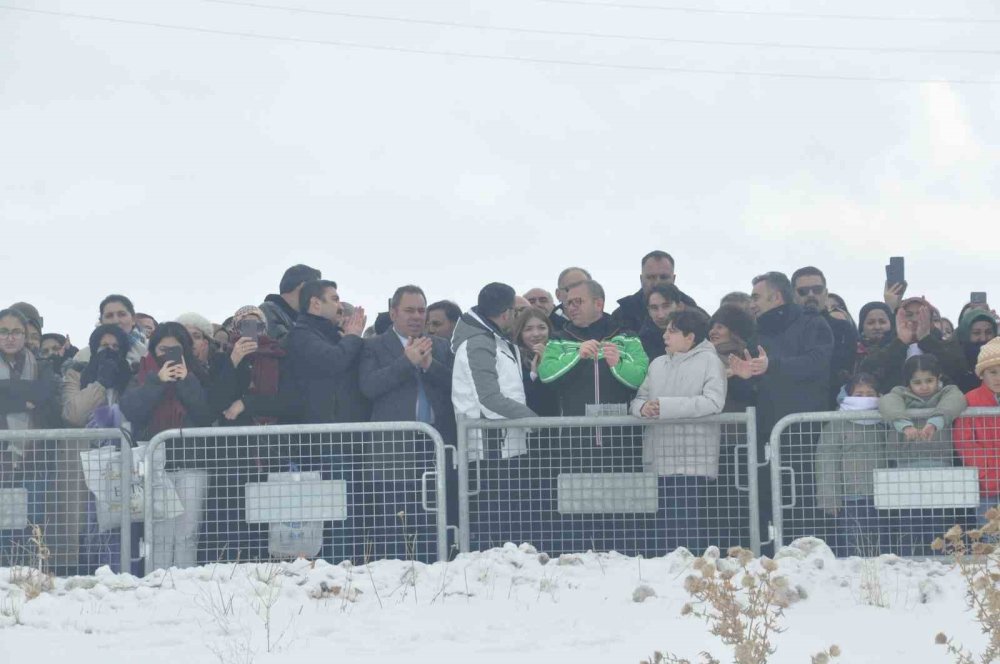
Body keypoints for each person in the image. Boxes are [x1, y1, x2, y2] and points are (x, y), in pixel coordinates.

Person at [730, 272, 834, 548]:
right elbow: (753, 386)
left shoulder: (813, 323)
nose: (751, 303)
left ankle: (807, 559)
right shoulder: (757, 333)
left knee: (802, 500)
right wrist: (742, 378)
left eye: (755, 297)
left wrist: (772, 366)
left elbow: (817, 362)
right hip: (766, 433)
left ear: (775, 297)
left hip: (803, 431)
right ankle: (769, 562)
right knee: (767, 499)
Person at [359, 286, 455, 561]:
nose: (417, 316)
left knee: (433, 516)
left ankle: (435, 569)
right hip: (393, 449)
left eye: (421, 310)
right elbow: (369, 386)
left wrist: (428, 366)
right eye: (409, 310)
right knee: (394, 518)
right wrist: (406, 362)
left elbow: (455, 386)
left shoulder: (440, 346)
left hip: (435, 445)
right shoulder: (373, 346)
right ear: (393, 313)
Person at [631, 310, 726, 555]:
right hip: (658, 456)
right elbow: (638, 398)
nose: (665, 335)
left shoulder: (710, 361)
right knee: (660, 527)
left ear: (690, 337)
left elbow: (714, 402)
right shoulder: (657, 363)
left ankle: (688, 576)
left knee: (684, 528)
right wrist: (644, 408)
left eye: (672, 330)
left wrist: (666, 407)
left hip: (692, 460)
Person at [120, 322, 214, 568]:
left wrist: (187, 381)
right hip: (155, 465)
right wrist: (157, 382)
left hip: (192, 463)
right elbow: (132, 410)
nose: (168, 355)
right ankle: (157, 583)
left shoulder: (199, 374)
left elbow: (206, 413)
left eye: (176, 349)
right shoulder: (141, 374)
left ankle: (186, 585)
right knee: (159, 532)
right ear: (152, 350)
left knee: (188, 531)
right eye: (163, 349)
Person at [450, 283, 536, 550]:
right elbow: (489, 399)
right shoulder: (479, 343)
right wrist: (535, 421)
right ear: (506, 312)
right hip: (492, 450)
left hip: (504, 445)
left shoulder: (492, 339)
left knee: (509, 526)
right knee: (498, 529)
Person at [61, 324, 134, 573]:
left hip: (122, 465)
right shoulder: (76, 375)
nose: (110, 352)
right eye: (104, 347)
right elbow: (75, 414)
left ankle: (121, 573)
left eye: (115, 347)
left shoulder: (132, 377)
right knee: (87, 525)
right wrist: (101, 382)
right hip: (85, 466)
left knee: (120, 523)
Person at [878, 354, 966, 556]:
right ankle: (911, 559)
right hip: (906, 467)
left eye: (929, 380)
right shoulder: (899, 395)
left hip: (940, 466)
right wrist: (905, 425)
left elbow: (956, 400)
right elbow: (887, 403)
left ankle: (941, 560)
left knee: (939, 518)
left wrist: (934, 422)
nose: (924, 386)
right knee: (910, 519)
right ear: (908, 383)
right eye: (917, 382)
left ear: (938, 378)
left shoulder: (947, 392)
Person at [0, 308, 62, 570]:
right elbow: (34, 396)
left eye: (16, 332)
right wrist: (25, 400)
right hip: (3, 461)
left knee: (31, 526)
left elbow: (45, 395)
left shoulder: (43, 366)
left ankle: (28, 579)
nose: (10, 337)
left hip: (32, 460)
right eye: (3, 331)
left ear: (26, 335)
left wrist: (7, 397)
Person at [815, 373, 889, 557]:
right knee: (855, 549)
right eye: (859, 394)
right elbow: (827, 460)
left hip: (883, 495)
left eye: (869, 394)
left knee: (882, 548)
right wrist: (829, 496)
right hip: (851, 496)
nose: (865, 399)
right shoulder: (838, 422)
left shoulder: (885, 420)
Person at [286, 279, 368, 424]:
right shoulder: (301, 335)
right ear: (316, 303)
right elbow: (332, 361)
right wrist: (352, 337)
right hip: (319, 434)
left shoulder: (333, 335)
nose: (340, 306)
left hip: (345, 431)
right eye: (335, 299)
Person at [861, 297, 968, 395]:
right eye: (909, 315)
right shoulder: (887, 343)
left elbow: (958, 370)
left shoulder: (943, 343)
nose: (915, 319)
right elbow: (869, 370)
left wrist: (926, 340)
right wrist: (900, 342)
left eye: (920, 314)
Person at [791, 267, 859, 406]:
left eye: (817, 290)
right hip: (794, 407)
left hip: (835, 406)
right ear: (793, 295)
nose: (811, 295)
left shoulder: (843, 328)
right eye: (803, 291)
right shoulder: (784, 329)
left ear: (826, 293)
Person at [955, 337, 1000, 530]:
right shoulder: (970, 399)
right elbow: (963, 442)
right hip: (986, 484)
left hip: (987, 476)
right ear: (982, 374)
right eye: (993, 372)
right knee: (989, 532)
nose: (998, 377)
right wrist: (985, 469)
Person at [611, 251, 697, 333]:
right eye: (651, 277)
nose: (657, 283)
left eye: (663, 277)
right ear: (641, 279)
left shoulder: (692, 312)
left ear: (673, 279)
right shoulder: (623, 314)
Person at [511, 307, 558, 416]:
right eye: (528, 329)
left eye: (542, 328)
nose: (536, 334)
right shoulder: (514, 358)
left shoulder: (559, 354)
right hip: (526, 425)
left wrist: (547, 363)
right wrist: (533, 375)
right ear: (520, 333)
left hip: (556, 425)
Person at [260, 264, 322, 345]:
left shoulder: (297, 320)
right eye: (316, 290)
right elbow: (283, 347)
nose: (317, 297)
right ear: (303, 286)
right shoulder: (268, 309)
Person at [953, 309, 998, 393]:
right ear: (965, 335)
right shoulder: (955, 361)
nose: (983, 338)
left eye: (988, 332)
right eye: (976, 333)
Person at [638, 284, 686, 362]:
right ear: (648, 311)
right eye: (654, 308)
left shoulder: (698, 336)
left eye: (666, 306)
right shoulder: (640, 345)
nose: (661, 315)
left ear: (679, 307)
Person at [98, 294, 148, 368]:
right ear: (101, 322)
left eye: (122, 314)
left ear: (133, 319)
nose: (116, 321)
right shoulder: (84, 356)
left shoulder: (152, 351)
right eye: (109, 316)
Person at [854, 302, 894, 376]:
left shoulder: (899, 347)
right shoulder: (852, 350)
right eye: (871, 323)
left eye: (882, 322)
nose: (877, 327)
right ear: (862, 326)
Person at [550, 266, 592, 333]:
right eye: (571, 288)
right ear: (558, 295)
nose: (578, 294)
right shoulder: (546, 329)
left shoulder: (608, 324)